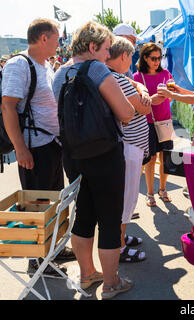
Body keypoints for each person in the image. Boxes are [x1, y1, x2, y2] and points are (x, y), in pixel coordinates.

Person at [53, 21, 135, 299]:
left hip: (73, 156)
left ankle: (87, 274)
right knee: (110, 219)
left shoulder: (59, 74)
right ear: (91, 47)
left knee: (84, 214)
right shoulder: (97, 69)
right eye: (106, 49)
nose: (108, 55)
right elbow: (125, 113)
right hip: (105, 155)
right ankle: (111, 283)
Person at [1, 18, 75, 275]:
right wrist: (20, 149)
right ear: (44, 38)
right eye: (57, 40)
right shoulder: (18, 64)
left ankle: (52, 250)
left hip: (51, 145)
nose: (59, 44)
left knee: (54, 202)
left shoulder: (44, 65)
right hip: (34, 148)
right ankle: (37, 261)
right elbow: (8, 106)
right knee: (37, 205)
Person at [105, 37, 152, 263]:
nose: (132, 61)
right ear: (123, 55)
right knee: (126, 199)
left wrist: (141, 87)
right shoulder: (119, 80)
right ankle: (119, 246)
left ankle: (120, 239)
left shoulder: (113, 77)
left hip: (126, 147)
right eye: (131, 56)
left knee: (125, 197)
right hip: (129, 147)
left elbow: (137, 90)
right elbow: (143, 108)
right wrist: (148, 97)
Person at [134, 43, 174, 207]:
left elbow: (171, 96)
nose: (157, 61)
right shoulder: (137, 77)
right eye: (153, 58)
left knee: (166, 157)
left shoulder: (166, 74)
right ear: (145, 58)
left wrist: (168, 96)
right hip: (147, 122)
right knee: (151, 158)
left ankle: (163, 189)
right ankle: (150, 193)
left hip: (165, 120)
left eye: (160, 57)